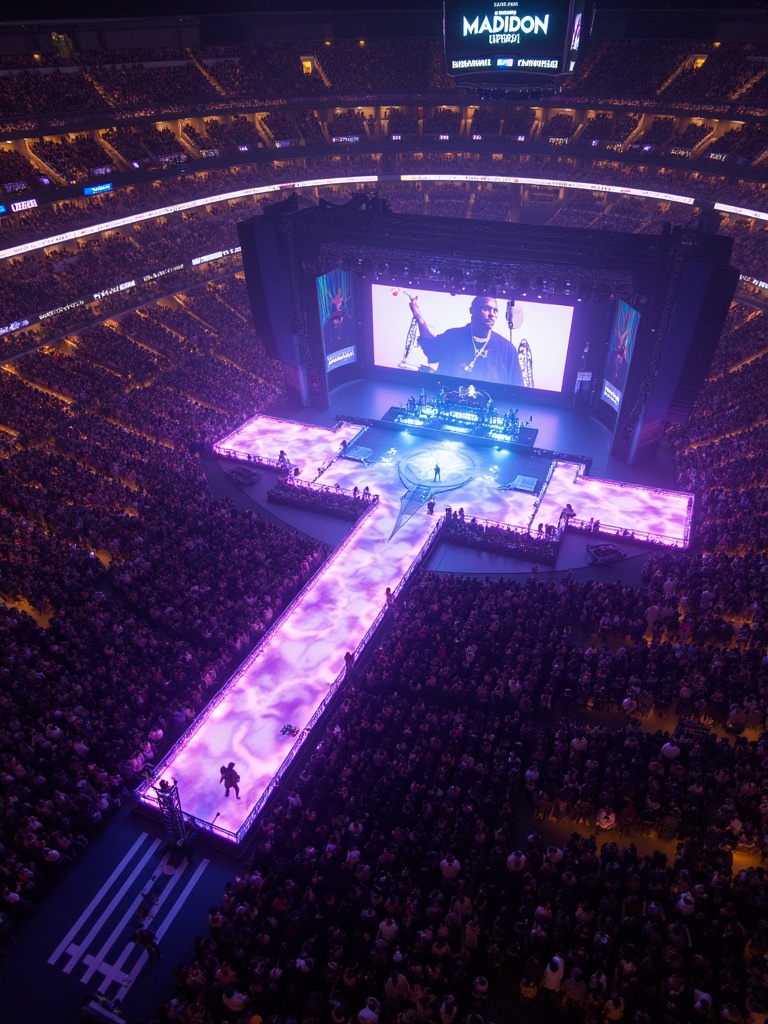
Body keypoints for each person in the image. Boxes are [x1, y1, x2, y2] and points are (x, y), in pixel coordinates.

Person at [409, 294, 524, 385]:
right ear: (472, 310)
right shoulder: (453, 337)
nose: (492, 315)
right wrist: (418, 316)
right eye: (486, 309)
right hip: (450, 406)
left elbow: (517, 389)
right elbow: (431, 348)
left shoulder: (507, 349)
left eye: (495, 311)